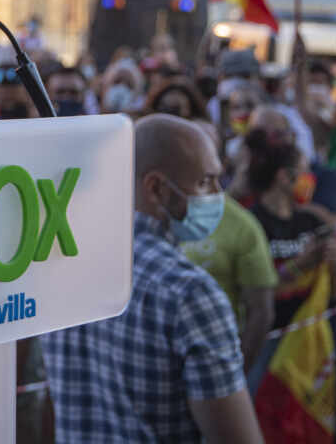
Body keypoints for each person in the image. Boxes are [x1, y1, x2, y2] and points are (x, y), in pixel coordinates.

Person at [41, 114, 263, 444]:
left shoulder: (58, 265)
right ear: (156, 188)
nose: (218, 194)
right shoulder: (191, 293)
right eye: (205, 182)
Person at [242, 127, 336, 392]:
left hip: (307, 346)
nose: (309, 179)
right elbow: (251, 292)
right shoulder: (251, 224)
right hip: (266, 344)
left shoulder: (311, 221)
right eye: (303, 172)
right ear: (283, 177)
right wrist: (298, 265)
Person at [178, 119, 278, 377]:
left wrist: (235, 374)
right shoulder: (142, 218)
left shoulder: (242, 226)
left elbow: (261, 311)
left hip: (213, 366)